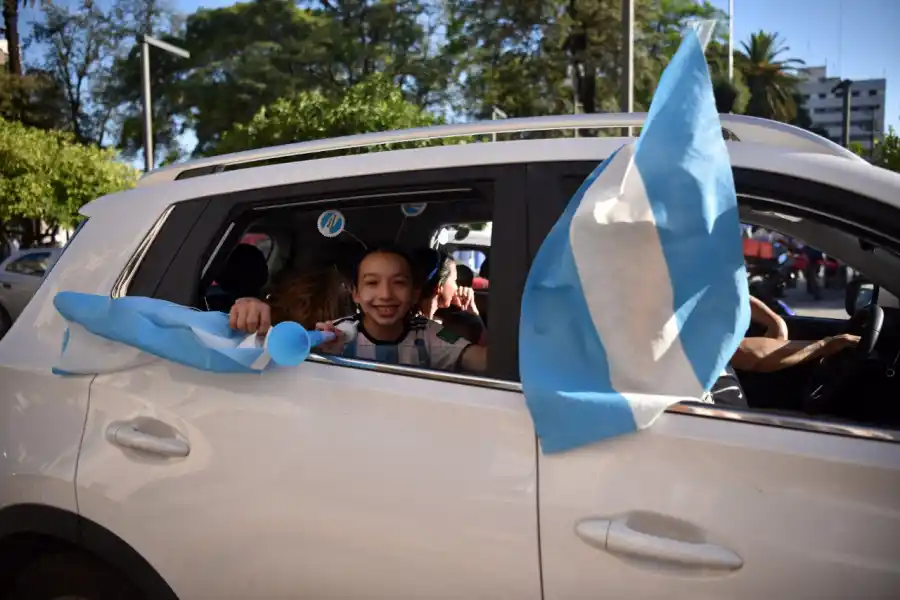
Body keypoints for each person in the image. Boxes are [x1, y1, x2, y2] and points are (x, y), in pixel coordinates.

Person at [230, 246, 487, 374]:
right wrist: (253, 310)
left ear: (414, 293)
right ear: (356, 293)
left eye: (398, 283)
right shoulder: (339, 335)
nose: (385, 295)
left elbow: (485, 360)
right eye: (372, 283)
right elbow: (272, 349)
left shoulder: (431, 335)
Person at [410, 248, 485, 344]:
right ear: (439, 286)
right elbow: (483, 353)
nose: (456, 287)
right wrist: (474, 313)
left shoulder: (415, 323)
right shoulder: (436, 331)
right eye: (454, 281)